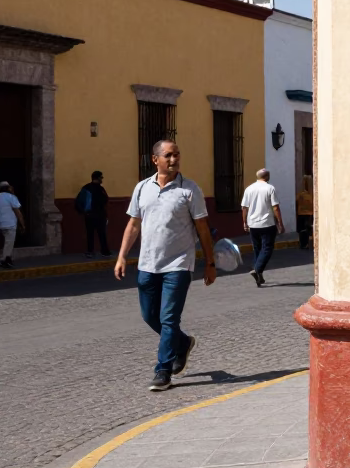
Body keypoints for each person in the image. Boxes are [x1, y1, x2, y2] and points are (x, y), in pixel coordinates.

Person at [114, 140, 216, 392]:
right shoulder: (142, 188)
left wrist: (210, 262)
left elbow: (202, 229)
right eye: (168, 155)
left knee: (169, 318)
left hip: (179, 264)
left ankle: (163, 370)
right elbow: (134, 224)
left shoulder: (190, 190)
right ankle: (183, 343)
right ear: (155, 159)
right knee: (150, 316)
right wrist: (122, 256)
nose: (174, 160)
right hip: (148, 264)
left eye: (177, 155)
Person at [240, 168, 284, 287]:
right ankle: (257, 269)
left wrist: (244, 222)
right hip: (267, 224)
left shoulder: (249, 189)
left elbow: (244, 207)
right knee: (267, 248)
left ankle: (259, 277)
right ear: (267, 177)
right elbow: (275, 207)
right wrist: (280, 223)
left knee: (258, 249)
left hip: (253, 224)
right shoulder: (270, 188)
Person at [77, 170, 111, 258]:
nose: (102, 179)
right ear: (98, 178)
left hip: (90, 215)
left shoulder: (86, 188)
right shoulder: (100, 189)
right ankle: (104, 251)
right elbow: (105, 200)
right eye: (101, 177)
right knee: (101, 233)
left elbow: (79, 201)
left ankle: (90, 251)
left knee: (90, 234)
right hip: (98, 215)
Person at [0, 182, 25, 269]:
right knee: (9, 243)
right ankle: (3, 260)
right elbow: (18, 212)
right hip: (10, 223)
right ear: (8, 188)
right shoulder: (11, 197)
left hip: (1, 223)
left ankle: (6, 259)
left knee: (7, 242)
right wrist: (22, 224)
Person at [296, 174, 314, 250]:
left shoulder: (301, 194)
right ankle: (306, 243)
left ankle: (303, 244)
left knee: (302, 229)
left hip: (301, 213)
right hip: (310, 213)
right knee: (307, 229)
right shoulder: (312, 193)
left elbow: (297, 202)